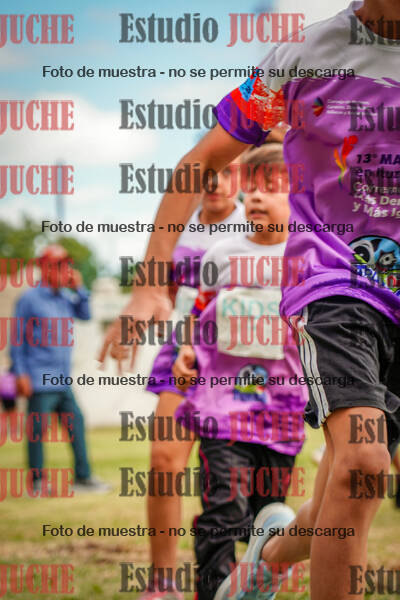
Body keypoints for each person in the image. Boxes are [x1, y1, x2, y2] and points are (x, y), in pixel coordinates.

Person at [100, 2, 400, 597]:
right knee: (362, 466)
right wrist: (150, 285)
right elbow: (201, 160)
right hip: (335, 285)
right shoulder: (307, 53)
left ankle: (266, 557)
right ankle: (166, 576)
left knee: (348, 488)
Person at [172, 141, 307, 600]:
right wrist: (186, 351)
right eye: (250, 189)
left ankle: (251, 588)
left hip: (282, 416)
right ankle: (212, 592)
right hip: (223, 410)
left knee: (269, 518)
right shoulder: (221, 254)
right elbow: (198, 312)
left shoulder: (308, 260)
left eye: (271, 187)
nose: (256, 197)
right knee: (224, 511)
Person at [142, 165, 246, 599]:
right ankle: (163, 582)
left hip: (239, 361)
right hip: (182, 352)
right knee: (164, 460)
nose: (215, 182)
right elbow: (161, 287)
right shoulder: (177, 223)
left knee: (238, 477)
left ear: (243, 179)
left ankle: (247, 573)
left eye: (227, 172)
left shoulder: (256, 219)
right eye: (208, 173)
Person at [11, 245, 110, 494]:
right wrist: (20, 374)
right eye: (58, 265)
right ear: (44, 268)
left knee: (76, 423)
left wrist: (79, 289)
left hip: (62, 379)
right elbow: (17, 339)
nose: (64, 270)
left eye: (66, 265)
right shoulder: (29, 299)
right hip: (38, 377)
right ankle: (37, 482)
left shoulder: (66, 297)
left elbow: (85, 315)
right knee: (38, 431)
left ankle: (83, 478)